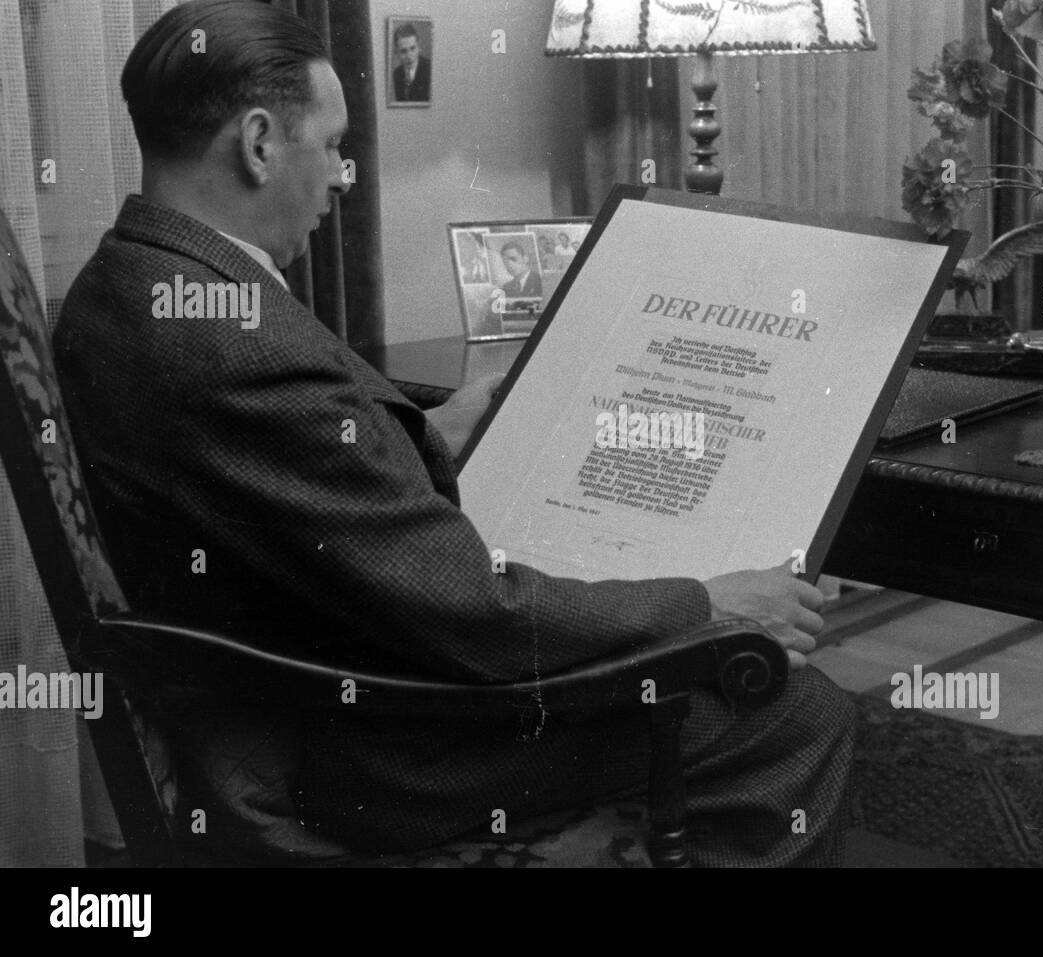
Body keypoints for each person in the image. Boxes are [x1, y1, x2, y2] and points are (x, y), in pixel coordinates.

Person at [53, 0, 855, 866]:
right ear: (257, 143)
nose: (342, 178)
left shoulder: (122, 285)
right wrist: (711, 603)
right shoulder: (228, 345)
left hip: (295, 690)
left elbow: (285, 483)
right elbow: (477, 614)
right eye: (333, 147)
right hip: (367, 744)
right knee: (798, 709)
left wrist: (433, 430)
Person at [391, 22, 430, 102]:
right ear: (396, 52)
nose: (409, 56)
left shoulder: (430, 69)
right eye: (403, 51)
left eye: (412, 48)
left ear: (418, 47)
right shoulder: (397, 74)